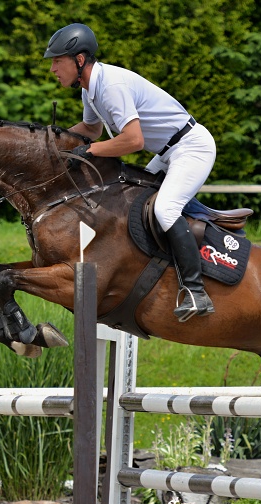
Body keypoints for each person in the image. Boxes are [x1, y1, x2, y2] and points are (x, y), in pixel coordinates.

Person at [44, 23, 217, 322]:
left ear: (80, 60)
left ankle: (196, 291)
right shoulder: (90, 90)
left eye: (58, 61)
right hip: (168, 152)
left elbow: (133, 140)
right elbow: (91, 128)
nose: (53, 69)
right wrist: (52, 141)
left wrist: (91, 151)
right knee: (133, 201)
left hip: (192, 147)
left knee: (164, 208)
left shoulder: (110, 86)